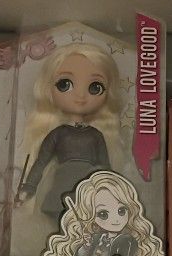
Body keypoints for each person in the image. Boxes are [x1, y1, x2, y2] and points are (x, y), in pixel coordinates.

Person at [17, 43, 123, 219]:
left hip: (88, 187)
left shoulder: (95, 135)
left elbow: (105, 166)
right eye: (64, 84)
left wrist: (112, 191)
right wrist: (29, 187)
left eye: (95, 87)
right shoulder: (59, 133)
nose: (80, 96)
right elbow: (41, 162)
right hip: (63, 185)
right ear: (47, 88)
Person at [43, 171, 164, 256]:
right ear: (90, 216)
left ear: (130, 209)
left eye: (121, 210)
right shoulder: (96, 238)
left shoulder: (127, 240)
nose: (116, 219)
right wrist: (85, 247)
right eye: (103, 214)